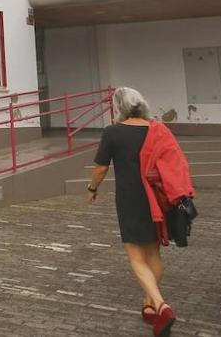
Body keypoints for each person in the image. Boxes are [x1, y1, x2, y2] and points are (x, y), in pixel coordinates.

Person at [87, 87, 178, 336]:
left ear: (119, 108)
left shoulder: (113, 132)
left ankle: (161, 306)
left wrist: (92, 188)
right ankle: (148, 305)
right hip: (157, 198)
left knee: (136, 256)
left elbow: (100, 168)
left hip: (130, 199)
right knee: (153, 252)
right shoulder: (156, 129)